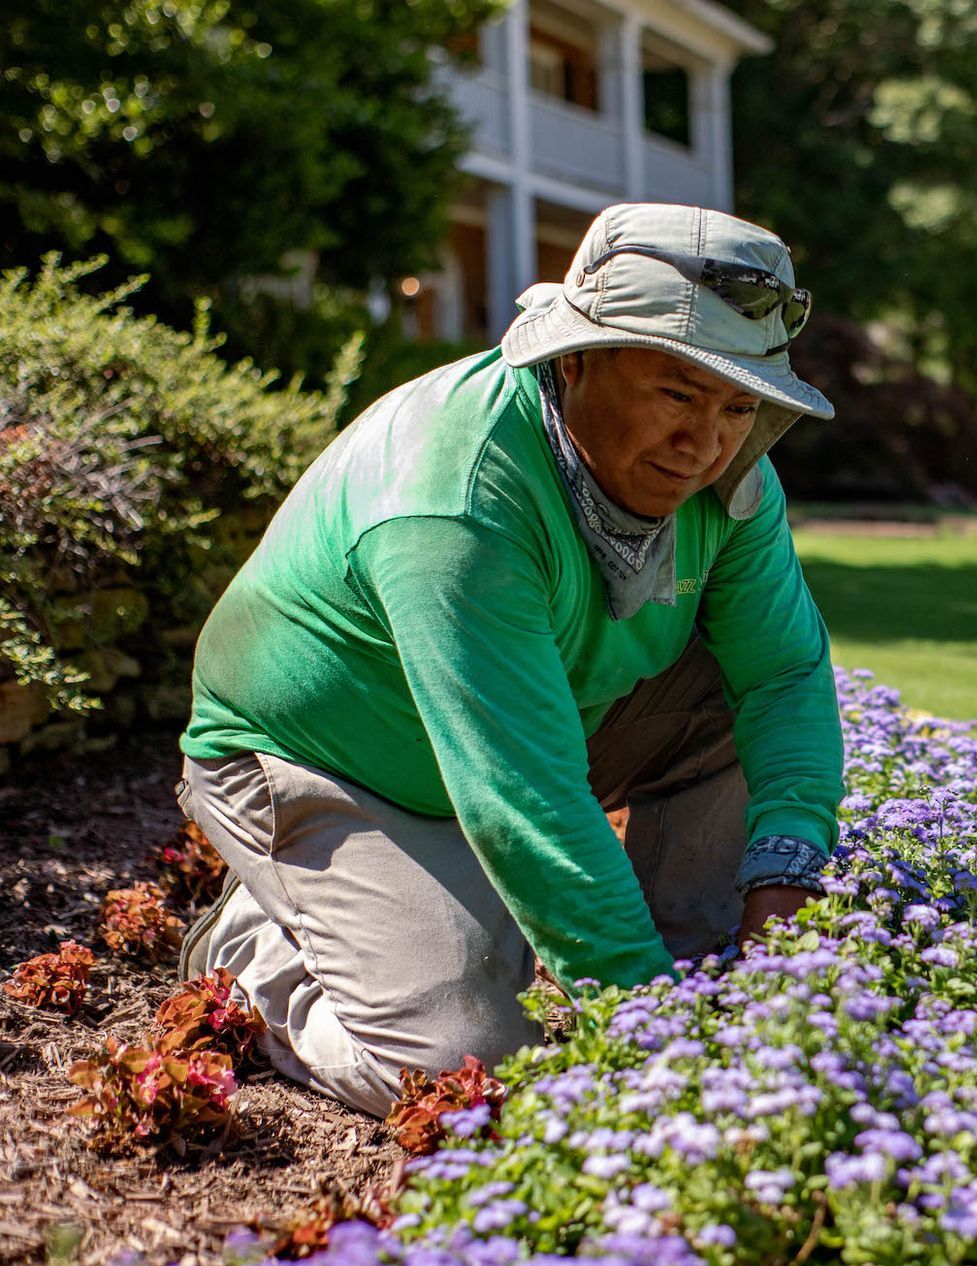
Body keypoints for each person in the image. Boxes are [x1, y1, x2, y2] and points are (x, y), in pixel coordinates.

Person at [174, 203, 844, 1114]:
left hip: (526, 729)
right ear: (575, 358)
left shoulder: (728, 478)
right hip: (330, 763)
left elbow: (784, 675)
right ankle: (259, 958)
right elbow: (523, 798)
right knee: (473, 1070)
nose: (707, 444)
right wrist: (653, 1036)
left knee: (735, 690)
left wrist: (784, 880)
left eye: (739, 405)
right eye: (678, 393)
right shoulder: (453, 499)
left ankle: (699, 959)